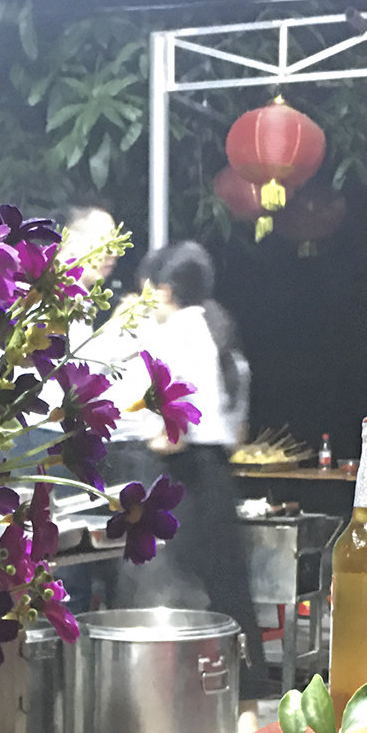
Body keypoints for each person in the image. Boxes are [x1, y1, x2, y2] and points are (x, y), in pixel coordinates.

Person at [102, 241, 266, 700]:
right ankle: (245, 700)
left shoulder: (173, 333)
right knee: (229, 591)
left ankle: (168, 701)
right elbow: (238, 430)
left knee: (169, 596)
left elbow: (172, 432)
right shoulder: (221, 330)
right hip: (216, 475)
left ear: (164, 291)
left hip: (179, 477)